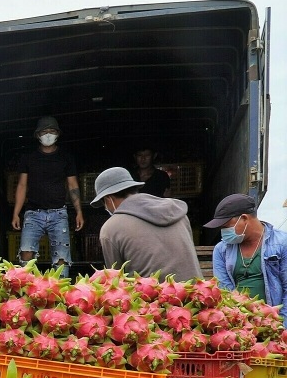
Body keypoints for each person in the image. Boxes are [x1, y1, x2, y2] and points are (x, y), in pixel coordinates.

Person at [91, 166, 202, 280]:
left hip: (152, 291)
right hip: (197, 289)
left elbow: (115, 279)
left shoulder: (111, 228)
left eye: (104, 203)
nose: (106, 207)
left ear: (108, 198)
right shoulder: (177, 211)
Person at [11, 116, 84, 275]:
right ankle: (27, 286)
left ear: (58, 134)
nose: (48, 135)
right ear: (38, 135)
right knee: (26, 254)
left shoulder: (65, 158)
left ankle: (61, 288)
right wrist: (16, 213)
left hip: (59, 214)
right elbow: (22, 185)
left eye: (52, 131)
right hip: (33, 213)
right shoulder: (28, 158)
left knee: (62, 259)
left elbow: (73, 186)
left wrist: (79, 211)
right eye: (44, 132)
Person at [206, 194, 287, 318]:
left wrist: (281, 324)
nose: (223, 232)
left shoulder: (282, 243)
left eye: (226, 227)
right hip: (239, 321)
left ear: (244, 218)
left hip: (276, 320)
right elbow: (225, 290)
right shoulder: (221, 250)